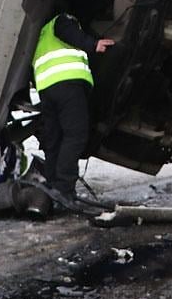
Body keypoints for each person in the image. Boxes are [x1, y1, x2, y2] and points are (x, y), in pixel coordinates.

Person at [32, 12, 115, 204]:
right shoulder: (62, 20)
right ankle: (64, 188)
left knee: (54, 139)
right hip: (68, 85)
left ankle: (53, 186)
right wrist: (94, 44)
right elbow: (68, 32)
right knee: (75, 135)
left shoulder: (41, 35)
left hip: (46, 89)